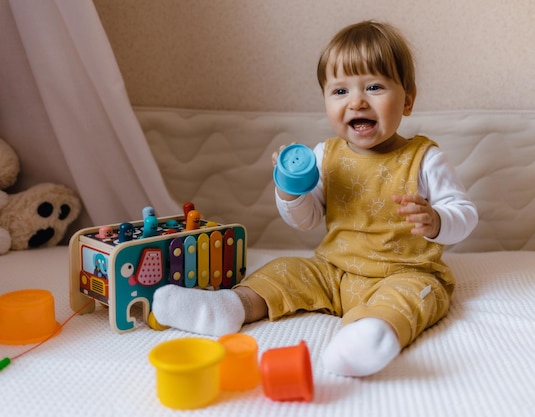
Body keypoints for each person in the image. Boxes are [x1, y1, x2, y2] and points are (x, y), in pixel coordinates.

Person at [152, 20, 478, 377]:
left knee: (414, 298)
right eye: (340, 92)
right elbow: (306, 220)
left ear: (408, 99)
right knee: (285, 271)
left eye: (373, 87)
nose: (357, 101)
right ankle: (229, 307)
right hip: (334, 270)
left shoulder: (424, 157)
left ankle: (371, 335)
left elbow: (465, 213)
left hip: (404, 272)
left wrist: (437, 220)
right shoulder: (325, 155)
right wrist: (290, 191)